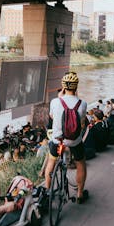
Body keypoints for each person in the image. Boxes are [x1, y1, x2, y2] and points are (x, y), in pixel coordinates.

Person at [45, 72, 88, 203]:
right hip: (74, 141)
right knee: (81, 163)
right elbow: (81, 121)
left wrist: (60, 98)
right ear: (76, 87)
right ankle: (80, 194)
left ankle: (48, 193)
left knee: (51, 162)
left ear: (63, 87)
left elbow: (52, 117)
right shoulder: (83, 103)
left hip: (58, 140)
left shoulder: (55, 101)